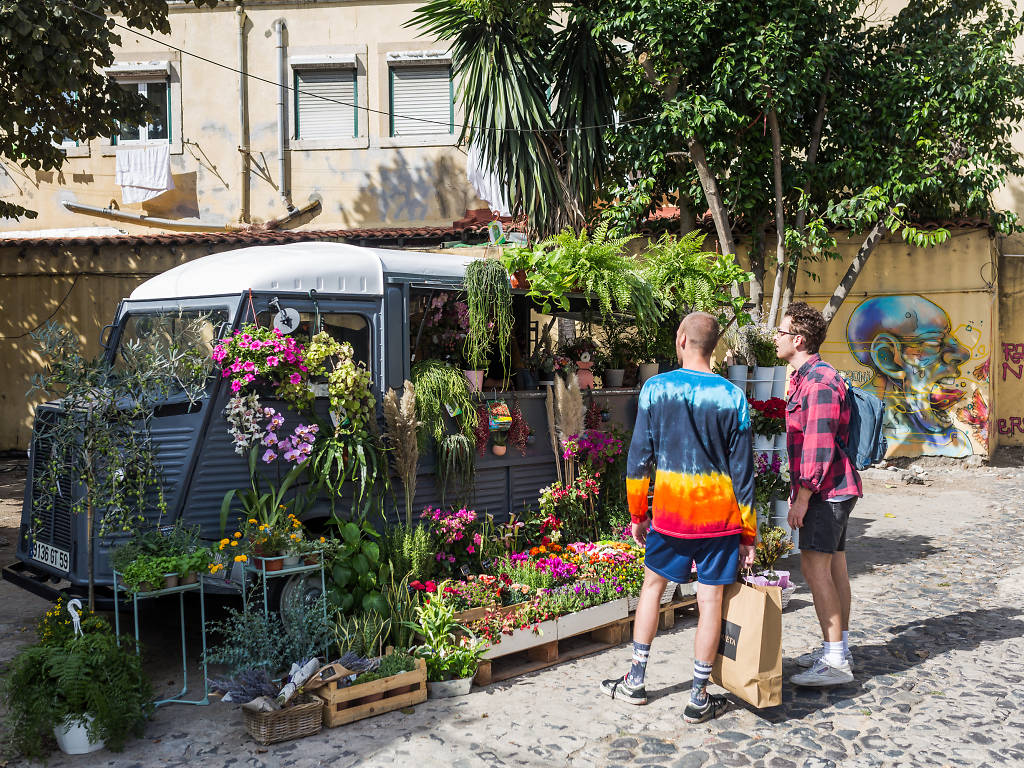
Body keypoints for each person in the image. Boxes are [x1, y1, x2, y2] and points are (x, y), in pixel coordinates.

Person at [601, 312, 755, 722]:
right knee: (710, 602)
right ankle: (698, 696)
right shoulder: (732, 397)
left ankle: (635, 680)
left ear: (682, 339)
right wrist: (748, 535)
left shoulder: (656, 389)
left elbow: (639, 459)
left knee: (652, 589)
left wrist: (638, 514)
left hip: (670, 515)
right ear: (714, 346)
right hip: (719, 519)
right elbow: (744, 472)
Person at [774, 302, 863, 687]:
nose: (775, 337)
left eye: (781, 331)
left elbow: (819, 444)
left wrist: (803, 497)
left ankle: (835, 661)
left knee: (814, 569)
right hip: (834, 489)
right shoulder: (806, 377)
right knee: (834, 567)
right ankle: (837, 647)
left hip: (826, 491)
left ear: (798, 338)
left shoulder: (820, 381)